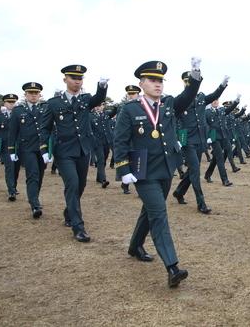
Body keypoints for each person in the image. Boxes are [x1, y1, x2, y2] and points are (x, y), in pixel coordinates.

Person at [115, 58, 202, 288]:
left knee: (150, 211)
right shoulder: (129, 109)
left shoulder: (168, 105)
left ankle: (135, 246)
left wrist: (194, 75)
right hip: (142, 170)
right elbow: (120, 142)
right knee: (159, 214)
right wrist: (123, 169)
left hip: (165, 168)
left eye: (160, 80)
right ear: (142, 83)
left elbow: (188, 96)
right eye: (152, 80)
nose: (158, 84)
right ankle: (172, 267)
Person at [40, 64, 108, 242]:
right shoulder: (54, 103)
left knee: (81, 185)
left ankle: (68, 212)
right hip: (64, 151)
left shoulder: (86, 99)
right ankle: (78, 227)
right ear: (65, 80)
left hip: (83, 149)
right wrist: (44, 148)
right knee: (72, 183)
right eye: (73, 78)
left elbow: (99, 98)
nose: (77, 81)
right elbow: (45, 128)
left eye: (80, 79)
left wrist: (102, 86)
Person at [172, 72, 229, 214]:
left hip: (200, 139)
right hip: (187, 141)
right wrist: (180, 140)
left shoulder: (202, 98)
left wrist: (222, 85)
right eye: (186, 82)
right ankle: (201, 203)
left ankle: (179, 192)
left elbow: (214, 96)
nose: (188, 84)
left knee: (192, 170)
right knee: (195, 171)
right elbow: (177, 121)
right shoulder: (180, 99)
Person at [8, 83, 47, 218]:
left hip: (43, 149)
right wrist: (11, 150)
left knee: (40, 175)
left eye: (36, 93)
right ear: (25, 95)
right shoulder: (18, 110)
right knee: (33, 174)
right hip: (27, 148)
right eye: (30, 93)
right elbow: (12, 132)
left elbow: (51, 129)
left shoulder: (45, 108)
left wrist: (51, 149)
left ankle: (35, 197)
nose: (33, 95)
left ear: (39, 95)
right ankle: (35, 205)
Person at [0, 94, 21, 201]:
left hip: (19, 146)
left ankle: (14, 186)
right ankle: (11, 191)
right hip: (6, 147)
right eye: (9, 102)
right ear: (4, 103)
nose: (11, 104)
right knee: (10, 167)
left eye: (13, 102)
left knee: (16, 168)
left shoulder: (21, 115)